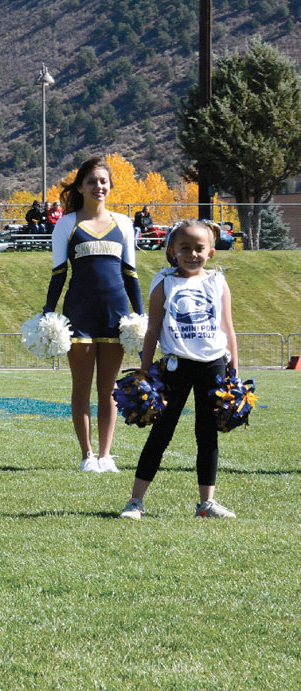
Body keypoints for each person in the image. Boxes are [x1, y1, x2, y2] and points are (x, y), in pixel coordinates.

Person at [120, 221, 240, 520]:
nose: (192, 254)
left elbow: (228, 328)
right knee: (162, 432)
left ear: (211, 252)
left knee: (207, 434)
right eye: (185, 248)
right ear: (172, 251)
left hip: (214, 364)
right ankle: (135, 501)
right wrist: (145, 371)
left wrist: (234, 370)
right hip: (176, 365)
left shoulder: (218, 281)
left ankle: (206, 503)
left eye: (199, 248)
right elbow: (153, 330)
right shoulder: (164, 282)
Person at [43, 156, 142, 474]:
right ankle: (87, 454)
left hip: (116, 315)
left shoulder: (123, 223)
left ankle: (106, 455)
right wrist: (48, 313)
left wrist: (140, 316)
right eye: (91, 181)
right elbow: (59, 273)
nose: (98, 186)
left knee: (109, 389)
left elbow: (131, 274)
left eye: (103, 181)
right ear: (80, 187)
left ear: (110, 186)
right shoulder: (67, 223)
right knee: (82, 387)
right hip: (79, 315)